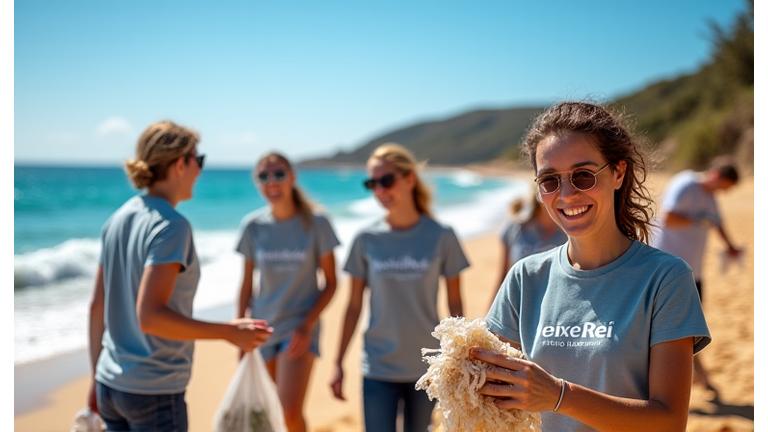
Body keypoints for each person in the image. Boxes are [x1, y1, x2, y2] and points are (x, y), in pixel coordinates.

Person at [472, 102, 711, 431]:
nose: (566, 194)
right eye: (549, 181)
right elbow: (493, 393)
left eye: (583, 176)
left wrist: (559, 396)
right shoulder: (525, 278)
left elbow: (669, 422)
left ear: (618, 173)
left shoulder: (666, 278)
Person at [88, 121, 273, 431]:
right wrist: (228, 332)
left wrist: (96, 376)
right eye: (198, 160)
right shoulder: (171, 226)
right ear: (179, 164)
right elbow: (150, 317)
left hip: (110, 385)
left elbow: (96, 306)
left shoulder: (117, 220)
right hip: (154, 391)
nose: (199, 170)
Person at [330, 143, 470, 432]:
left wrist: (461, 356)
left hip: (427, 364)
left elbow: (456, 305)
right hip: (377, 365)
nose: (380, 190)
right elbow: (353, 306)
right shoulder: (366, 239)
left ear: (409, 179)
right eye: (372, 184)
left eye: (386, 180)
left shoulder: (442, 236)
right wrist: (338, 361)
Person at [236, 152, 340, 432]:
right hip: (261, 328)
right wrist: (239, 332)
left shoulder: (317, 223)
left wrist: (306, 326)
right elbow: (246, 285)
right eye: (264, 176)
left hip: (299, 328)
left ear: (292, 177)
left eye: (279, 174)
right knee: (269, 414)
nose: (272, 181)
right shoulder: (253, 226)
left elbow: (332, 283)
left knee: (290, 412)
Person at [652, 156, 742, 400]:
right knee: (676, 329)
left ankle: (700, 376)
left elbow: (717, 223)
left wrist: (731, 246)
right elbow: (668, 217)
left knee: (691, 327)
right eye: (724, 187)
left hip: (694, 273)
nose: (724, 193)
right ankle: (700, 377)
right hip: (667, 271)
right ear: (716, 176)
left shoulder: (710, 198)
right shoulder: (686, 184)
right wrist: (697, 221)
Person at [490, 185, 566, 307]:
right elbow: (503, 276)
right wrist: (491, 311)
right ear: (539, 194)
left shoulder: (572, 231)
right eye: (551, 185)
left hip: (557, 307)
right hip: (517, 307)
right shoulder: (515, 228)